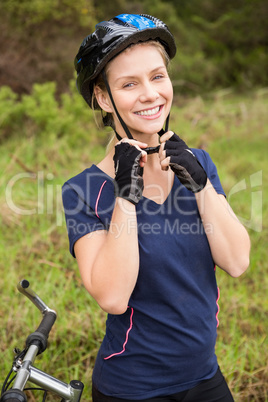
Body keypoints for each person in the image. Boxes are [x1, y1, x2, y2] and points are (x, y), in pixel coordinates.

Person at [62, 14, 250, 402]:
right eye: (129, 84)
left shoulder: (198, 163)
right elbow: (112, 296)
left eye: (157, 76)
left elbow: (237, 262)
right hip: (132, 387)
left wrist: (200, 186)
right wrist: (125, 198)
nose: (150, 94)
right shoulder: (82, 191)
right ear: (102, 97)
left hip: (205, 377)